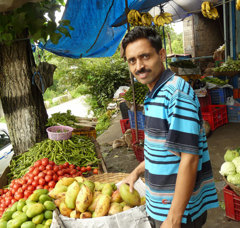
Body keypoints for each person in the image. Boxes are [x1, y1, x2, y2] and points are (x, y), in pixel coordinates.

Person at [121, 26, 219, 228]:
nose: (139, 66)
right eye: (132, 61)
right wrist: (137, 171)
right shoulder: (155, 94)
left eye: (145, 56)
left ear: (162, 54)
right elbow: (162, 150)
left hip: (178, 213)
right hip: (162, 207)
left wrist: (174, 218)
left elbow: (189, 158)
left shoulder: (175, 93)